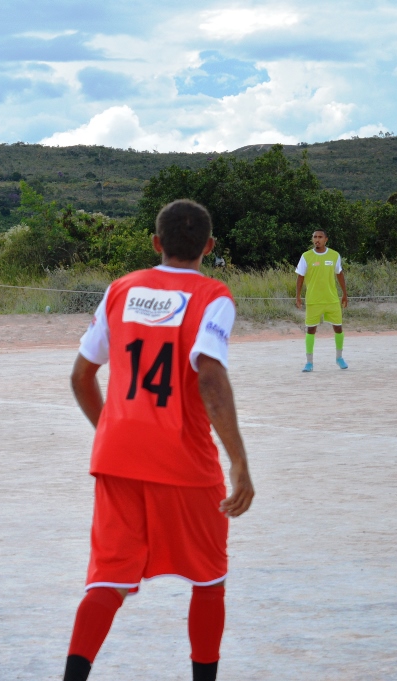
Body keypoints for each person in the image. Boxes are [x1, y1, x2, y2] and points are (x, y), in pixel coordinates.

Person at [63, 200, 254, 681]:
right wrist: (239, 462)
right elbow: (209, 378)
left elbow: (82, 376)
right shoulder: (215, 296)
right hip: (185, 461)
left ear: (155, 243)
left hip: (117, 457)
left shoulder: (120, 290)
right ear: (209, 247)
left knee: (107, 579)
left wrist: (113, 429)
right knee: (209, 579)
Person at [295, 228, 349, 372]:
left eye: (320, 237)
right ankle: (309, 362)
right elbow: (300, 276)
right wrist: (298, 296)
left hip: (331, 299)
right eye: (314, 237)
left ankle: (339, 358)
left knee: (338, 327)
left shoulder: (334, 255)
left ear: (326, 239)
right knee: (311, 329)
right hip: (313, 299)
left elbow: (339, 274)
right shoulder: (306, 256)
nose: (317, 239)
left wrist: (345, 293)